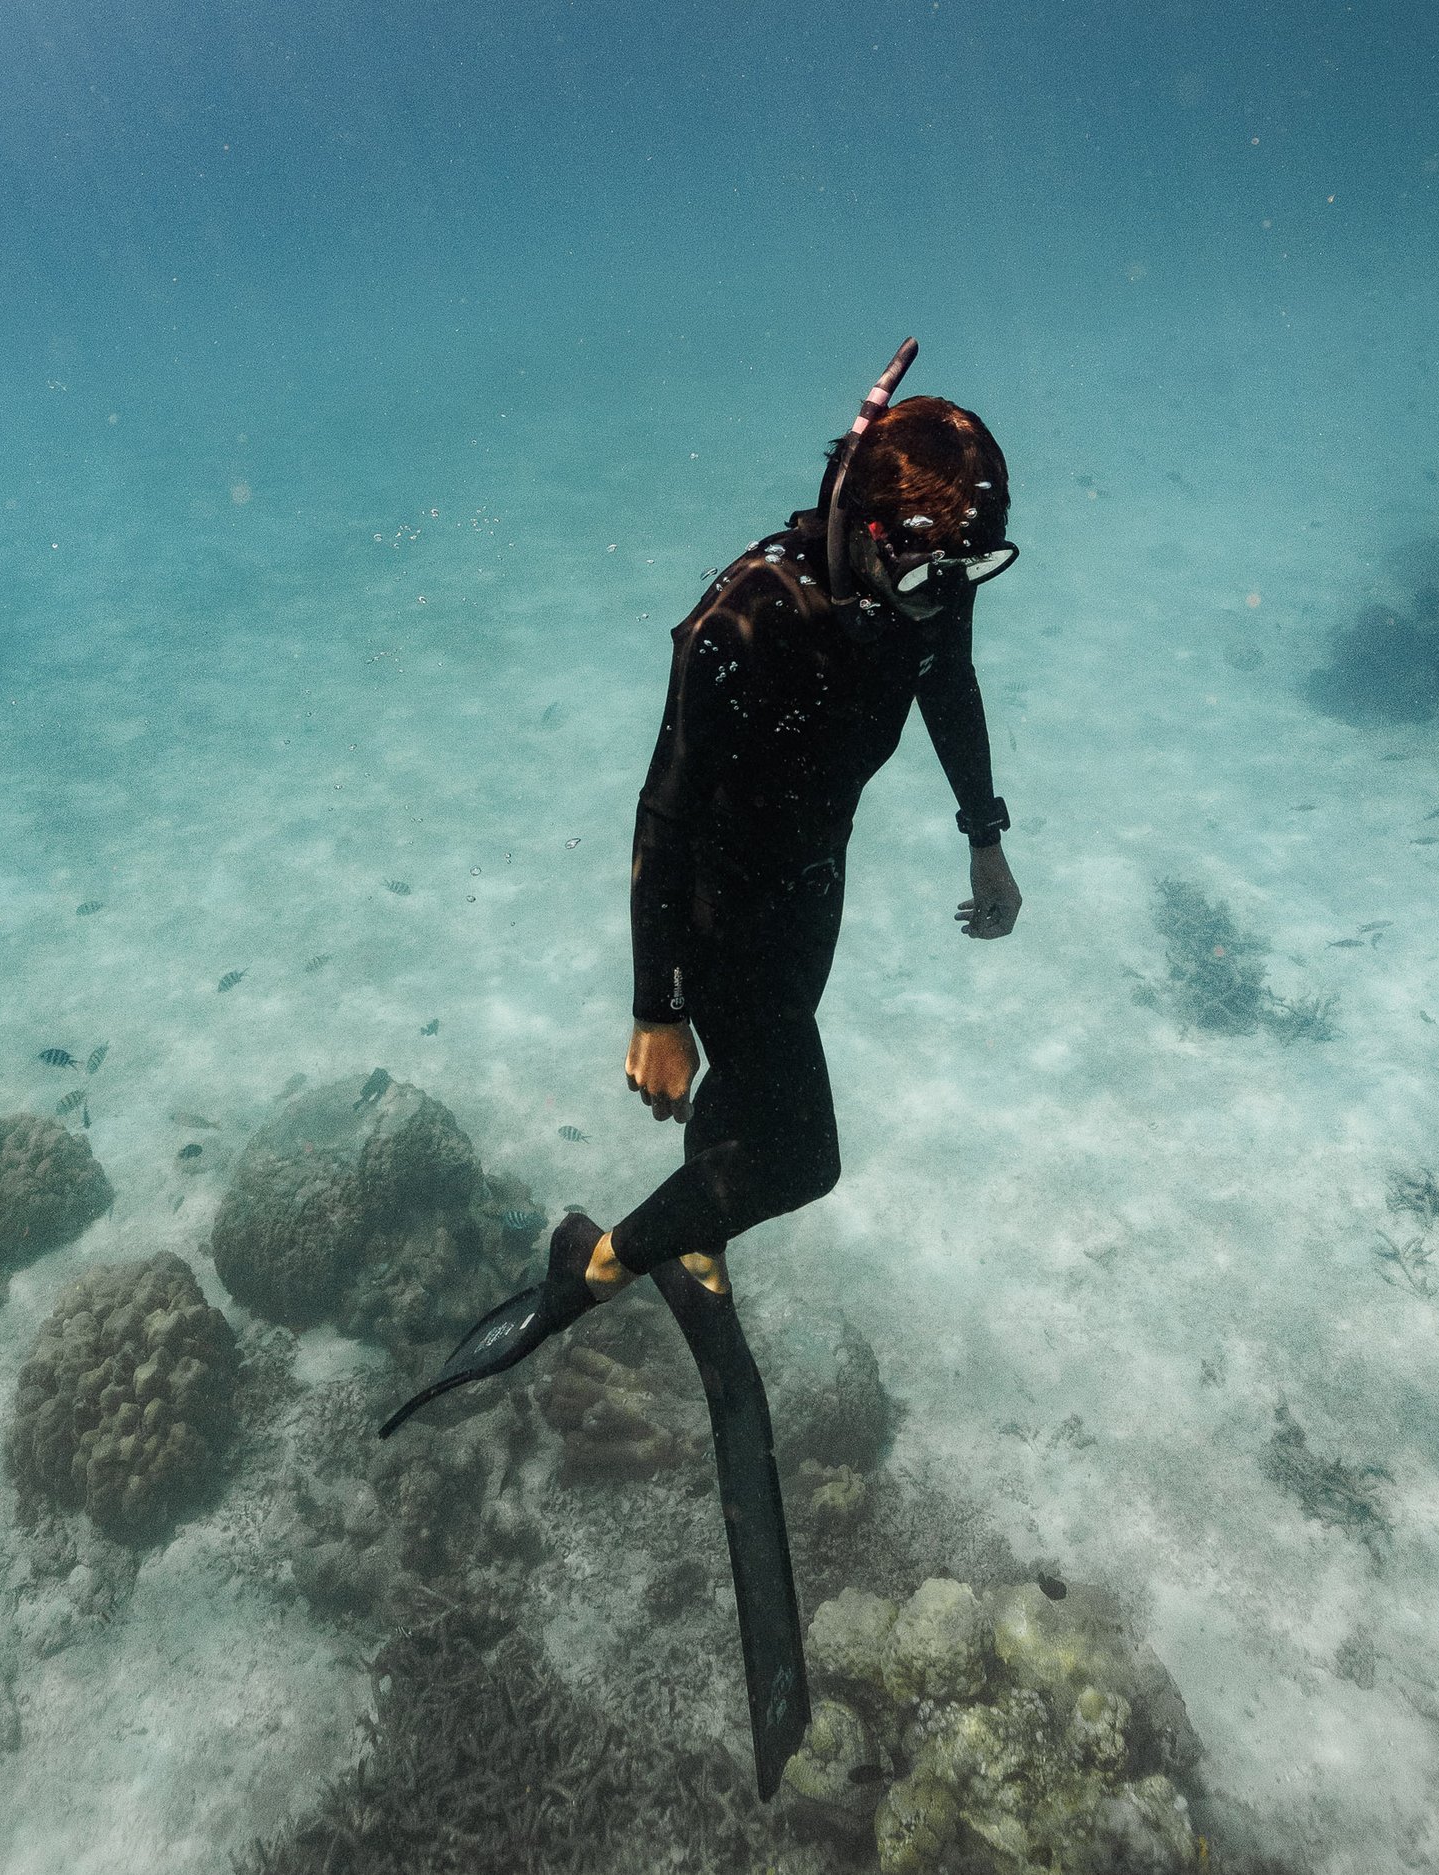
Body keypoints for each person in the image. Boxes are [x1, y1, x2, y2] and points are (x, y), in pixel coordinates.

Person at [381, 340, 1021, 1800]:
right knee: (803, 1153)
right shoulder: (737, 625)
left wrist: (985, 827)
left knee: (760, 1120)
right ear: (857, 516)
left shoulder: (925, 592)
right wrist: (653, 1007)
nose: (937, 596)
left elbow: (948, 692)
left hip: (815, 887)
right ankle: (595, 1269)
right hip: (724, 904)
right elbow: (662, 823)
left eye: (959, 574)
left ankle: (697, 1238)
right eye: (920, 565)